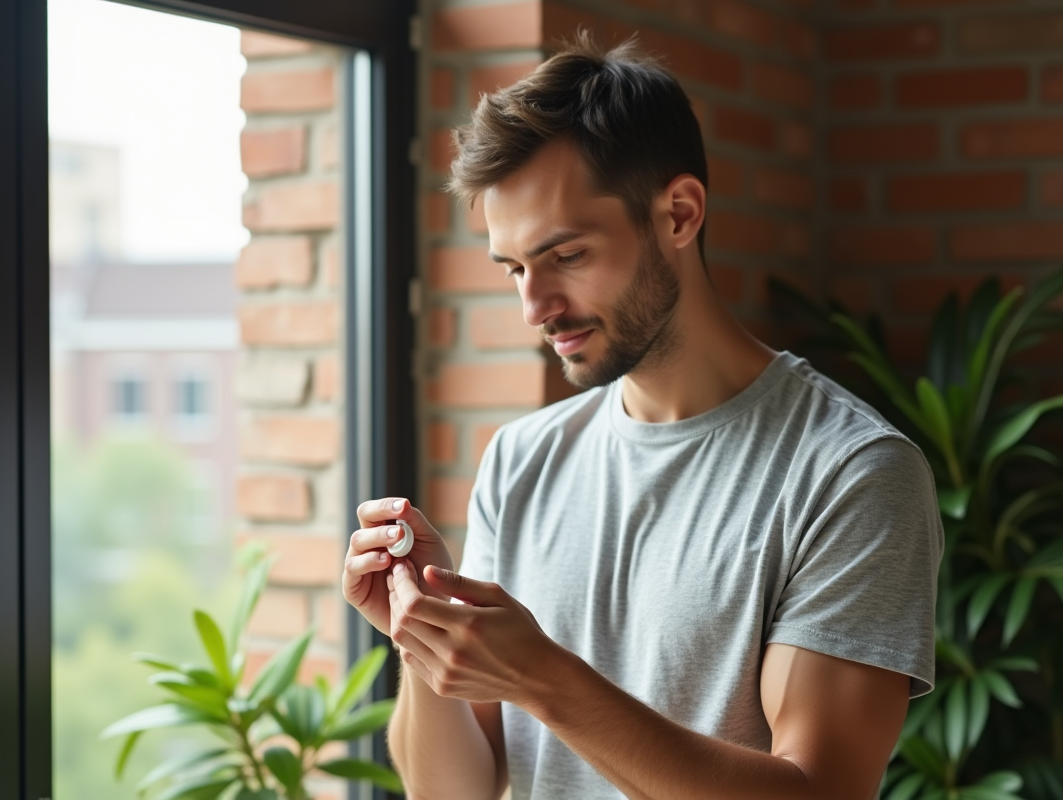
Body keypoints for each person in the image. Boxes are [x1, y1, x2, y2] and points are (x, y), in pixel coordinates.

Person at [343, 32, 943, 800]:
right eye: (516, 268)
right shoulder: (522, 458)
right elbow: (454, 791)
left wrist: (543, 677)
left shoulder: (850, 473)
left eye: (566, 256)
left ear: (680, 214)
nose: (536, 307)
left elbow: (818, 791)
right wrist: (426, 632)